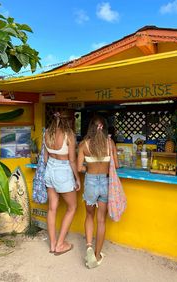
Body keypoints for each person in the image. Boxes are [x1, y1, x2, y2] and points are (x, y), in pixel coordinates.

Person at [77, 115, 119, 268]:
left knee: (89, 215)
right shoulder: (110, 143)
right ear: (104, 128)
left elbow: (79, 167)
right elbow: (117, 165)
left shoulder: (84, 145)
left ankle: (88, 246)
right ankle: (96, 254)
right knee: (101, 220)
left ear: (91, 128)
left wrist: (88, 167)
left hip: (91, 182)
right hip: (105, 184)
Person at [44, 112, 81, 255]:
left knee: (52, 208)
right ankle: (60, 244)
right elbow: (72, 160)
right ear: (69, 121)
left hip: (50, 170)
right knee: (72, 207)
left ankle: (53, 245)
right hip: (63, 170)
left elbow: (46, 158)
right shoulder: (69, 135)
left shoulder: (47, 133)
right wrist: (77, 178)